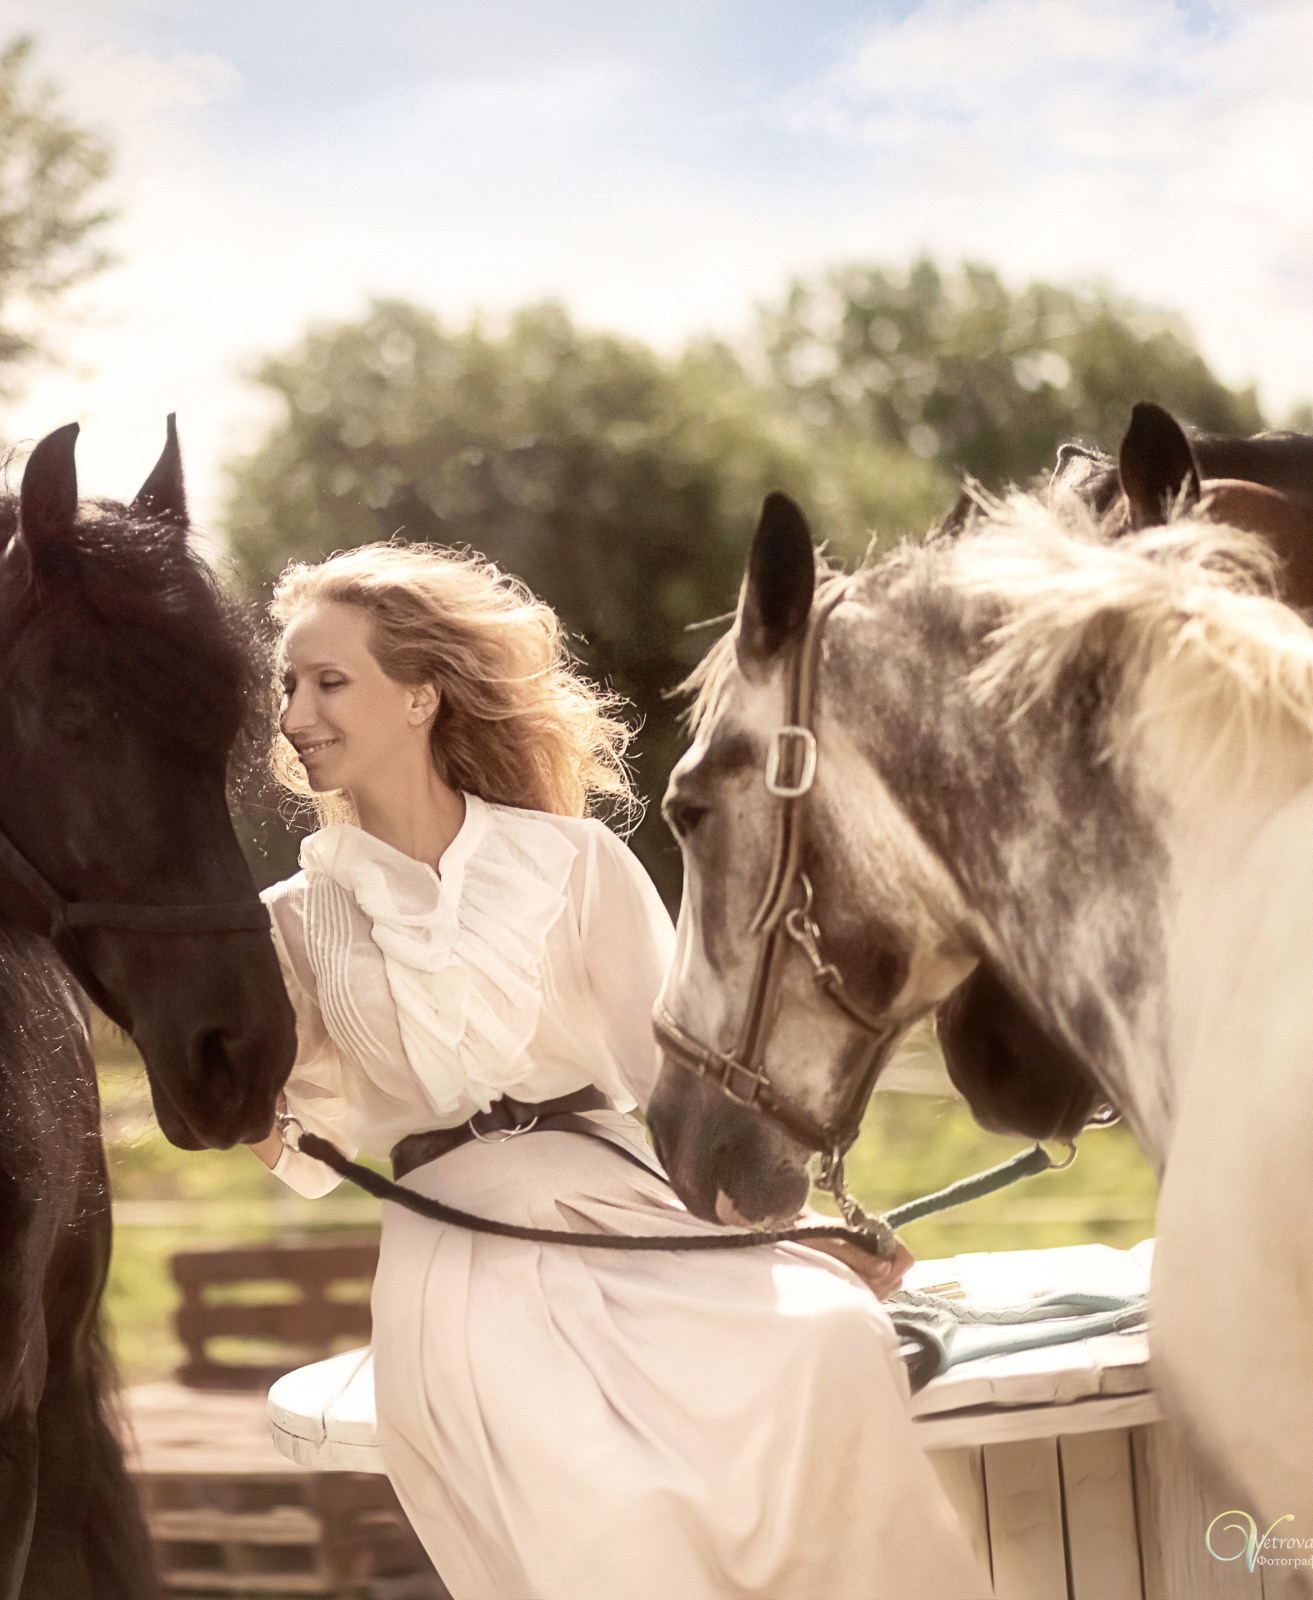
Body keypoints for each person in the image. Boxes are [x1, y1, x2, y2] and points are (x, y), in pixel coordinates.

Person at [247, 543, 993, 1599]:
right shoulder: (289, 920)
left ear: (420, 696)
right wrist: (230, 1107)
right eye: (288, 685)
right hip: (455, 1246)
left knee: (829, 1337)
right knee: (604, 1504)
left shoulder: (574, 859)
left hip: (622, 1202)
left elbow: (673, 1081)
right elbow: (308, 1153)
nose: (296, 714)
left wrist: (787, 1220)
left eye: (328, 681)